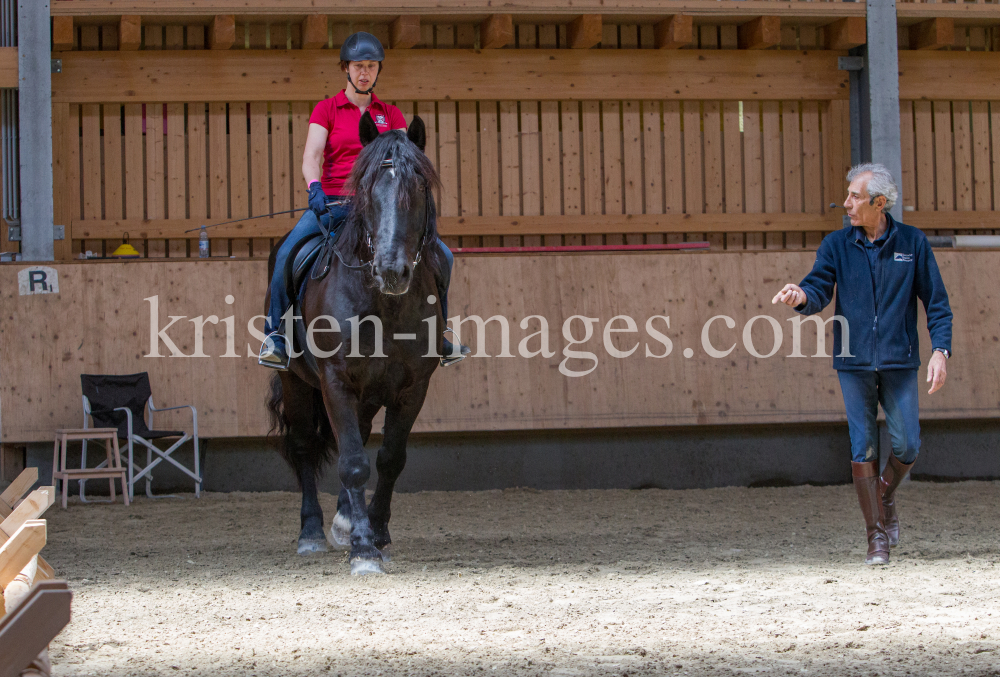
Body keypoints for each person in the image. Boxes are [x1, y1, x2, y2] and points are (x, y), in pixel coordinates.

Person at [772, 162, 952, 565]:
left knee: (907, 443)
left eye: (855, 197)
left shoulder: (913, 243)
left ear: (880, 203)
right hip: (852, 363)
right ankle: (876, 538)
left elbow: (937, 304)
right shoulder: (836, 245)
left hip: (900, 360)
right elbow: (818, 286)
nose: (847, 204)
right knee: (863, 445)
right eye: (848, 195)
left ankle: (884, 495)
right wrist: (801, 296)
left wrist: (941, 350)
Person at [259, 31, 469, 370]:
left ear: (377, 71)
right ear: (346, 68)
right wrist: (314, 187)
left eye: (371, 67)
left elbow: (404, 163)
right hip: (334, 204)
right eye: (358, 66)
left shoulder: (391, 115)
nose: (365, 73)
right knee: (286, 254)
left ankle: (439, 335)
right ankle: (276, 337)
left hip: (380, 210)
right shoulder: (327, 109)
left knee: (443, 256)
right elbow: (311, 157)